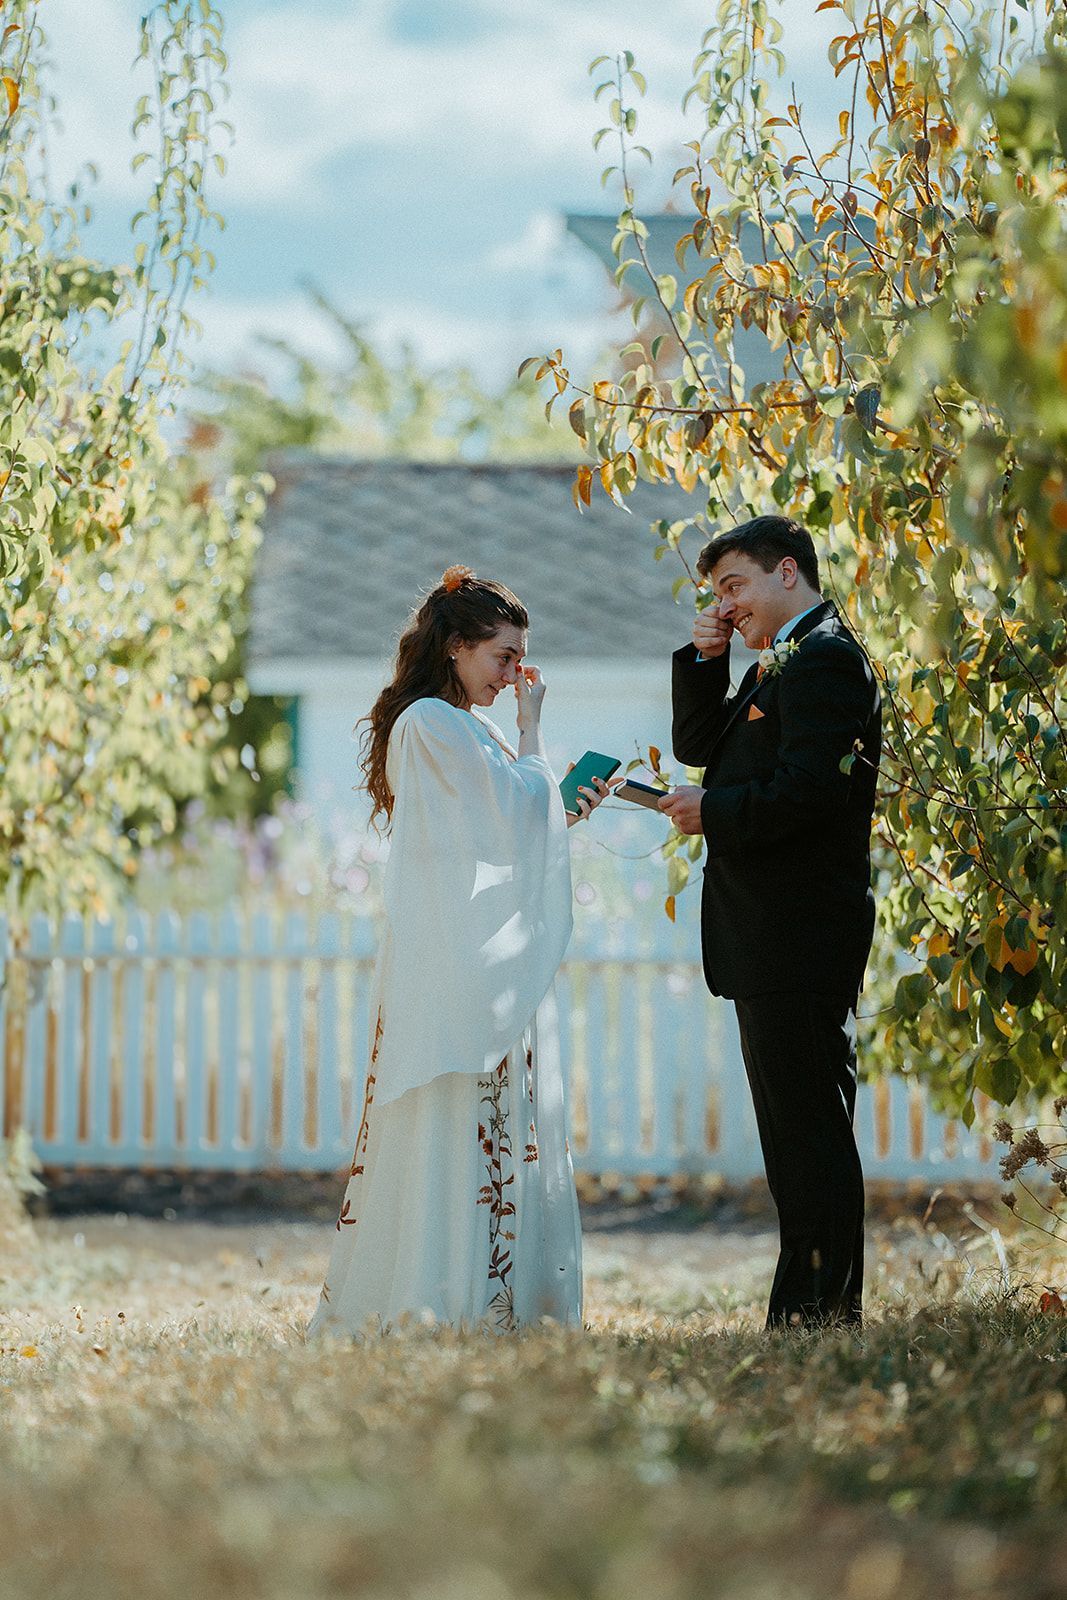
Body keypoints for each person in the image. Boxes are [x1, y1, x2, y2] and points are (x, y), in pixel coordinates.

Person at [307, 565, 610, 1338]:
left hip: (479, 954)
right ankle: (440, 1291)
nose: (514, 675)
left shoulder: (468, 729)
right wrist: (534, 736)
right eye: (502, 656)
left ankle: (492, 1295)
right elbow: (504, 820)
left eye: (519, 659)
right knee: (448, 1121)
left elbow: (504, 835)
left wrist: (555, 808)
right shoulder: (430, 725)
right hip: (450, 961)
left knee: (492, 1121)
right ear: (454, 648)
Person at [660, 516, 881, 1329]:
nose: (725, 606)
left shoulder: (824, 658)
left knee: (810, 1134)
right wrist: (707, 660)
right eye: (715, 593)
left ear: (786, 572)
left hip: (799, 932)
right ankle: (811, 1314)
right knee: (795, 1137)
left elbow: (810, 795)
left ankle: (817, 1317)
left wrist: (712, 811)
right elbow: (696, 745)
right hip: (769, 935)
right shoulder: (777, 660)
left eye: (733, 587)